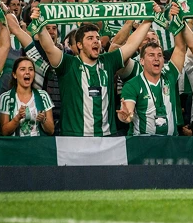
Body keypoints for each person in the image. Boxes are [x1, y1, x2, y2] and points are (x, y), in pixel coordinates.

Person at [32, 8, 152, 137]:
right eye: (90, 38)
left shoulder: (108, 61)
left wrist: (148, 19)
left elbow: (132, 45)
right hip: (75, 138)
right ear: (79, 45)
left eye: (98, 38)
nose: (96, 41)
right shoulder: (68, 64)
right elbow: (49, 48)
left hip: (106, 137)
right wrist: (40, 24)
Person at [118, 9, 186, 136]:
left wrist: (177, 19)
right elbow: (128, 113)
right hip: (142, 146)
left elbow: (181, 48)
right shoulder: (133, 85)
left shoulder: (169, 74)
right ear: (142, 61)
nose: (156, 58)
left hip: (170, 143)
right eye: (151, 55)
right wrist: (126, 116)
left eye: (159, 55)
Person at [0, 57, 54, 137]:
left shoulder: (43, 96)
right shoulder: (5, 98)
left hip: (38, 146)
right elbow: (4, 132)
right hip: (15, 147)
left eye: (30, 69)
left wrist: (43, 120)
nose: (27, 72)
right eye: (22, 69)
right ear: (14, 75)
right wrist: (17, 118)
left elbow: (51, 131)